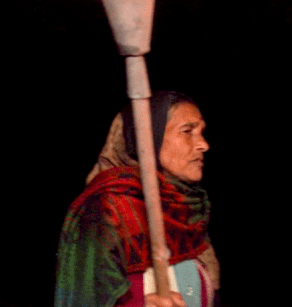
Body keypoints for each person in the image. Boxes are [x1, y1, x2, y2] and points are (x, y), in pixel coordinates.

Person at [55, 91, 221, 307]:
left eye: (201, 132)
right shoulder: (106, 210)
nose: (203, 145)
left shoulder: (187, 209)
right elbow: (82, 298)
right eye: (187, 131)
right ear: (149, 137)